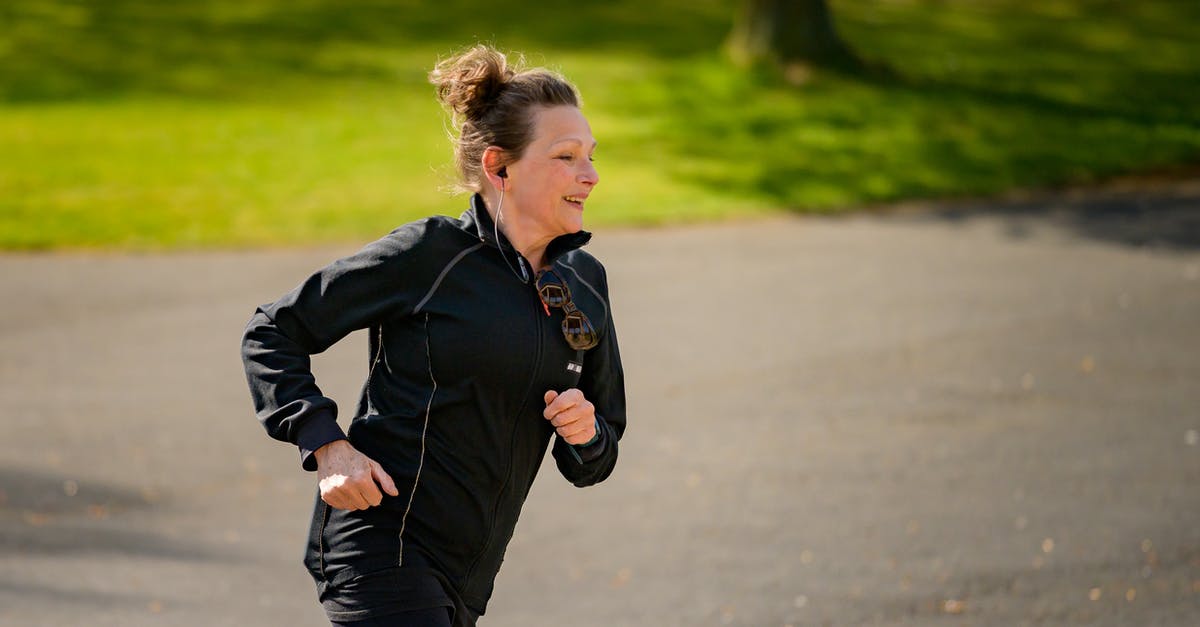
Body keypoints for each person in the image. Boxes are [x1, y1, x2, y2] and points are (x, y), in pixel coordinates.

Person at [240, 45, 626, 627]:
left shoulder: (586, 284)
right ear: (499, 167)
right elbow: (272, 330)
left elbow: (597, 454)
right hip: (380, 545)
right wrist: (326, 444)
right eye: (566, 157)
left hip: (469, 575)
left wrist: (587, 432)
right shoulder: (429, 256)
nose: (590, 176)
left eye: (591, 157)